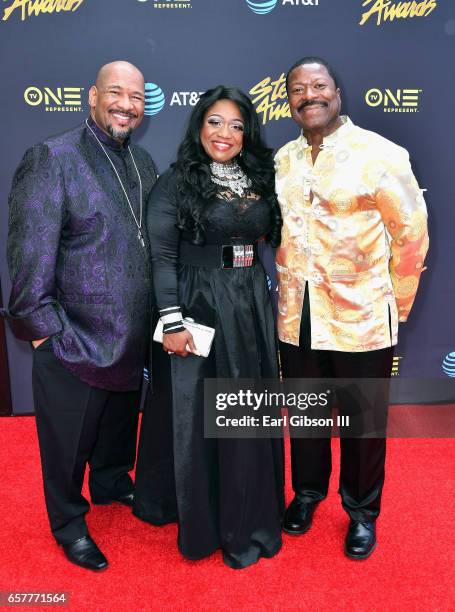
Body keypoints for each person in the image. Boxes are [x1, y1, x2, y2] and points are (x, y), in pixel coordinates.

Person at [1, 61, 157, 571]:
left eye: (135, 97)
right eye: (115, 92)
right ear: (92, 96)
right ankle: (68, 522)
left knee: (115, 436)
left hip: (132, 342)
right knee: (66, 452)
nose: (126, 105)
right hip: (74, 344)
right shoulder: (52, 157)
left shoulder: (144, 163)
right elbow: (28, 255)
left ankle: (112, 483)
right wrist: (46, 335)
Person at [275, 57, 429, 559]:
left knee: (363, 425)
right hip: (297, 315)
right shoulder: (283, 160)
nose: (309, 95)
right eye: (298, 89)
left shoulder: (380, 154)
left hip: (361, 317)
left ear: (337, 92)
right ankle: (307, 494)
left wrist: (392, 307)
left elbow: (411, 236)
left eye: (318, 85)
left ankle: (362, 512)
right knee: (306, 416)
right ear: (290, 100)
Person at [133, 85, 284, 569]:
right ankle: (203, 516)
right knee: (199, 410)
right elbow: (161, 256)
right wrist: (172, 320)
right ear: (199, 125)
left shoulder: (259, 174)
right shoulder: (178, 180)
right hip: (198, 302)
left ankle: (247, 508)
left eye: (237, 125)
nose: (225, 133)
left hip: (248, 300)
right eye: (215, 122)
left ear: (248, 133)